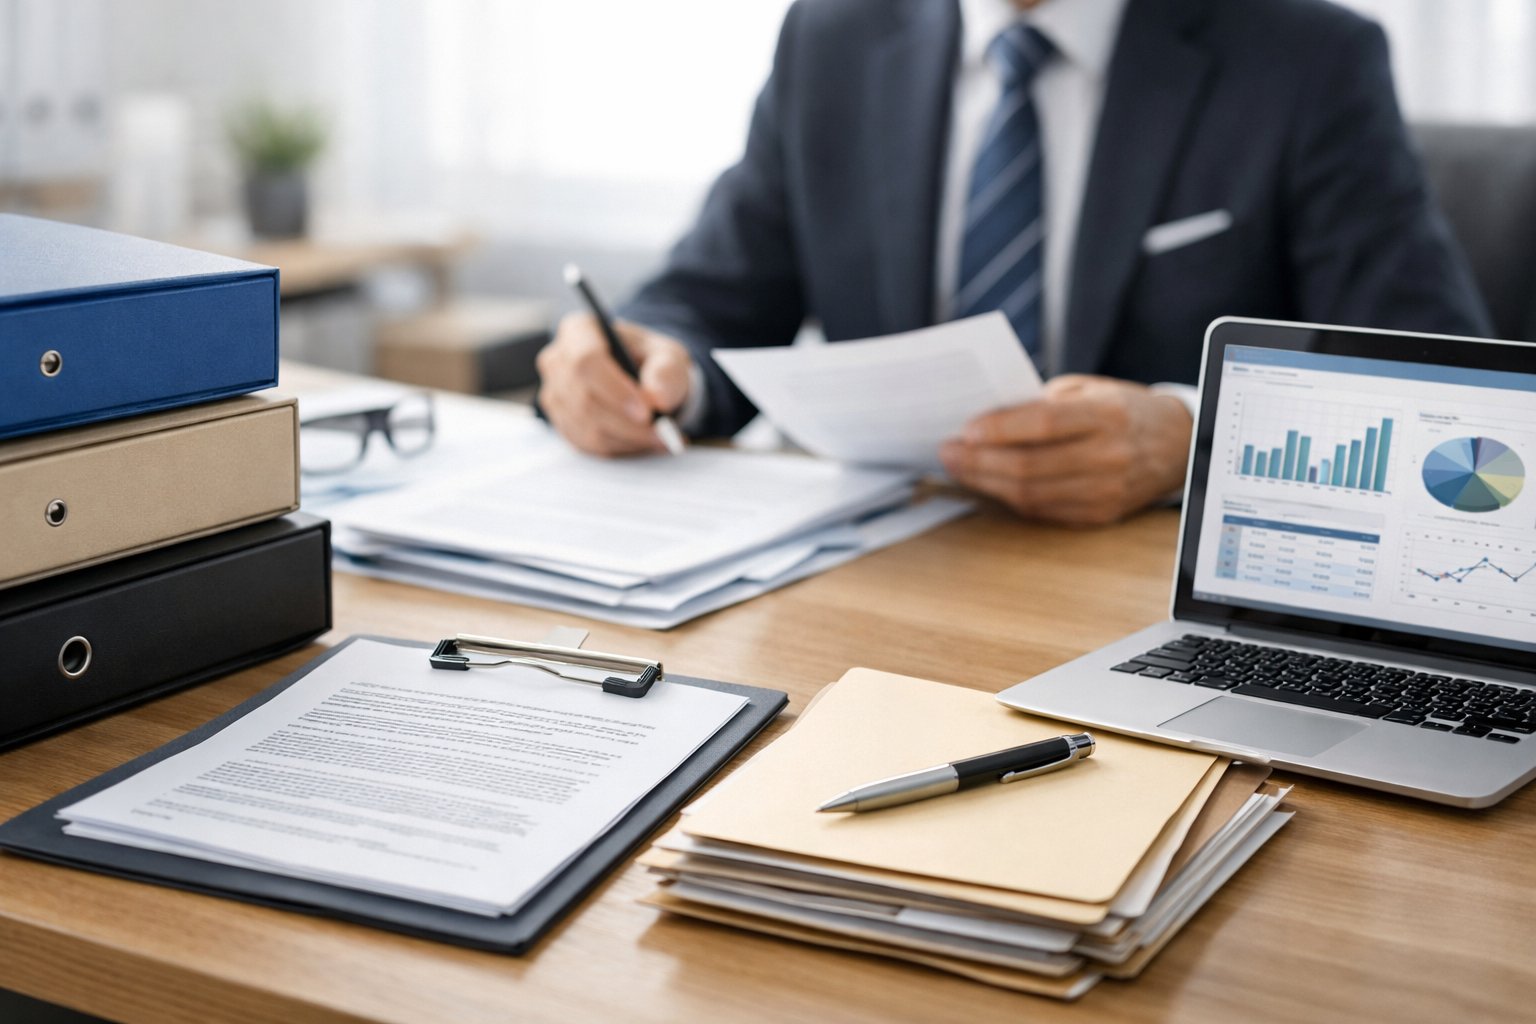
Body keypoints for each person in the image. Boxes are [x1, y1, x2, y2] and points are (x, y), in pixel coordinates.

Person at [536, 0, 1489, 525]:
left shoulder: (1308, 58)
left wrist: (1190, 441)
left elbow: (1435, 382)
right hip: (891, 579)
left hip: (1154, 596)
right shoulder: (835, 35)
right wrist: (643, 366)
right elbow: (709, 302)